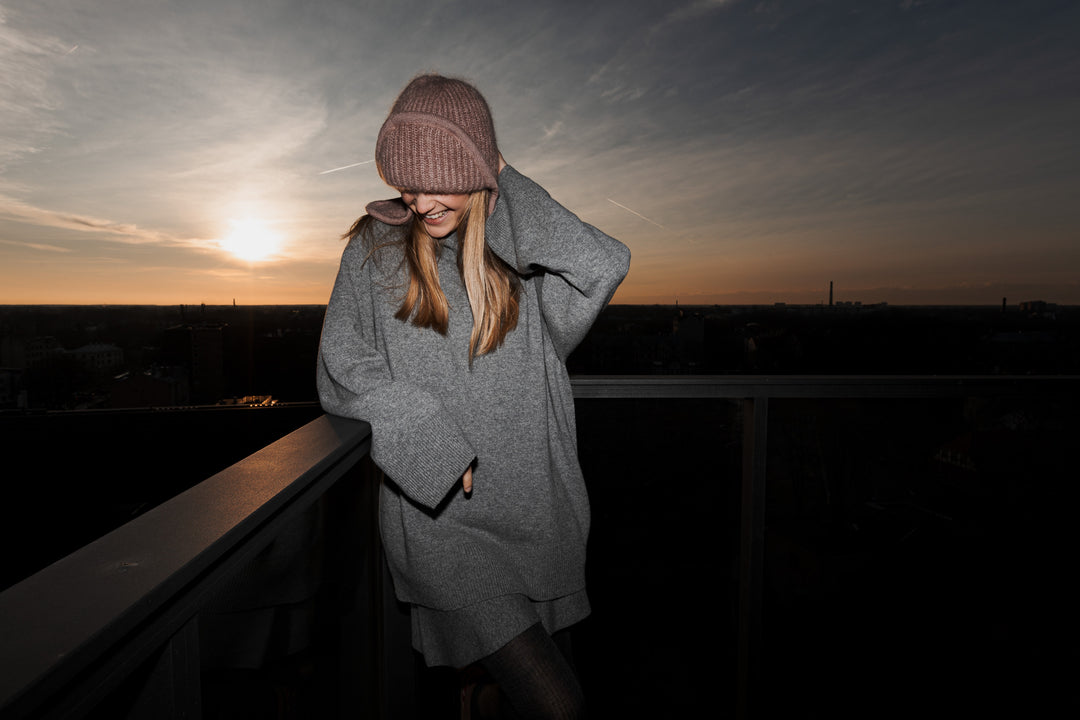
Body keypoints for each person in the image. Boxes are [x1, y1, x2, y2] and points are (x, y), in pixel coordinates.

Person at [317, 73, 630, 719]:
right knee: (560, 706)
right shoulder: (373, 249)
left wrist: (502, 176)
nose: (423, 199)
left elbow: (601, 262)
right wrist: (425, 438)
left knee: (510, 698)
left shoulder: (519, 253)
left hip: (538, 511)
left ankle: (478, 694)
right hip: (442, 520)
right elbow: (344, 366)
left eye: (443, 178)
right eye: (407, 180)